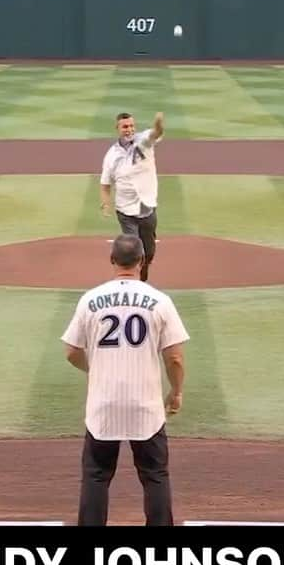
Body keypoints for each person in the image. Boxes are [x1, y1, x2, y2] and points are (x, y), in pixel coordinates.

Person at [61, 234, 189, 525]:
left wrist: (97, 368)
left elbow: (71, 352)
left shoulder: (90, 299)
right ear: (142, 262)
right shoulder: (160, 301)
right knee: (155, 476)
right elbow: (175, 358)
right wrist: (177, 392)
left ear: (112, 260)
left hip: (102, 405)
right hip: (146, 406)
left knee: (95, 476)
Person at [100, 110, 165, 282]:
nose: (129, 129)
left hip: (146, 206)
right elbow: (105, 183)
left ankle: (143, 273)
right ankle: (134, 282)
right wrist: (106, 203)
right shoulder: (111, 155)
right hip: (125, 210)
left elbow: (156, 133)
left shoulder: (143, 141)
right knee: (135, 249)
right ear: (117, 128)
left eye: (131, 126)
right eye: (125, 126)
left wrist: (158, 123)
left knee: (149, 252)